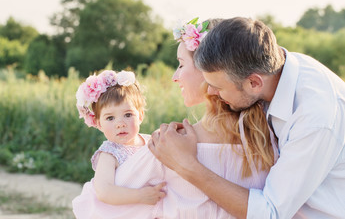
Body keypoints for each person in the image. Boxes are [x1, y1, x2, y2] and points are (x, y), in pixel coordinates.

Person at [73, 18, 278, 219]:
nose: (174, 76)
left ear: (207, 69)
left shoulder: (168, 145)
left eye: (181, 64)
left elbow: (101, 207)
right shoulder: (271, 137)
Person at [149, 17, 345, 218]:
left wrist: (187, 166)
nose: (211, 91)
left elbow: (269, 213)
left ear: (254, 83)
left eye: (219, 87)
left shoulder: (316, 119)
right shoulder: (271, 64)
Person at [72, 70, 166, 218]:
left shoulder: (149, 141)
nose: (120, 124)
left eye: (128, 115)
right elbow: (104, 191)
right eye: (110, 118)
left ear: (140, 115)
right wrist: (140, 196)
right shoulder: (110, 154)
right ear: (99, 123)